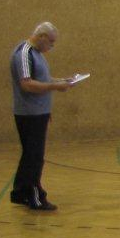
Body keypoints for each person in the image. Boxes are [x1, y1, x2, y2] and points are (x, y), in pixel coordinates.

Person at [9, 22, 75, 211]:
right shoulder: (24, 53)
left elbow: (42, 80)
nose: (52, 46)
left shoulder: (37, 55)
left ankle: (20, 193)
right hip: (30, 114)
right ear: (42, 37)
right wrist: (55, 87)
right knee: (34, 157)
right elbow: (27, 84)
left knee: (30, 155)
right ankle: (35, 197)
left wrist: (62, 81)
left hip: (38, 112)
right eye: (51, 42)